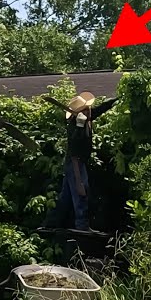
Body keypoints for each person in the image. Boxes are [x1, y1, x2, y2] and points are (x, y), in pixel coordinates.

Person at [47, 92, 115, 232]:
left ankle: (51, 223)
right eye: (86, 108)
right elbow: (74, 143)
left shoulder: (88, 117)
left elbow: (100, 108)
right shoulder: (74, 125)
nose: (89, 110)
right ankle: (82, 225)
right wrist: (79, 126)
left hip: (79, 161)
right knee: (81, 191)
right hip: (75, 163)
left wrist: (115, 100)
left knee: (65, 197)